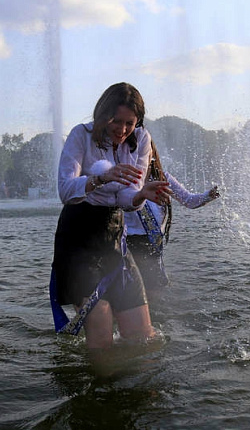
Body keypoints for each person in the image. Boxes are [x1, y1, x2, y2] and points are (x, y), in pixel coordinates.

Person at [50, 82, 172, 352]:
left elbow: (125, 199)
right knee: (101, 330)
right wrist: (100, 179)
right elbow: (65, 191)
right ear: (103, 115)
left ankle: (139, 389)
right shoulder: (80, 136)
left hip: (115, 237)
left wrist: (142, 195)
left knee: (143, 334)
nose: (122, 129)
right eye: (116, 121)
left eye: (130, 122)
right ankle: (99, 390)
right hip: (79, 238)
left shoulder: (141, 140)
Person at [124, 140, 220, 293]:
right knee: (131, 294)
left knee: (155, 293)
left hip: (153, 245)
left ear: (152, 155)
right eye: (133, 154)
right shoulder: (122, 181)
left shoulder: (163, 178)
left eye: (143, 154)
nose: (138, 159)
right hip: (128, 244)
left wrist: (208, 196)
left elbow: (189, 200)